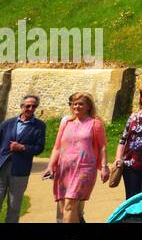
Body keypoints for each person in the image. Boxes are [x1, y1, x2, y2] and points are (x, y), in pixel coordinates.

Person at [43, 92, 108, 224]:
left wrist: (104, 167)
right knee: (65, 210)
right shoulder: (66, 123)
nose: (76, 106)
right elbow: (57, 147)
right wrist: (50, 166)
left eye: (80, 104)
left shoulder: (95, 123)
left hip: (83, 169)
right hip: (63, 169)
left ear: (88, 106)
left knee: (69, 207)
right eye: (74, 103)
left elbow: (103, 147)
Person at [0, 94, 46, 223]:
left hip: (21, 170)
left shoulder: (40, 126)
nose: (31, 108)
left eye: (34, 106)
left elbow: (39, 148)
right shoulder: (7, 123)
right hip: (2, 167)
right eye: (28, 106)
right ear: (21, 106)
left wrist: (23, 147)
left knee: (14, 206)